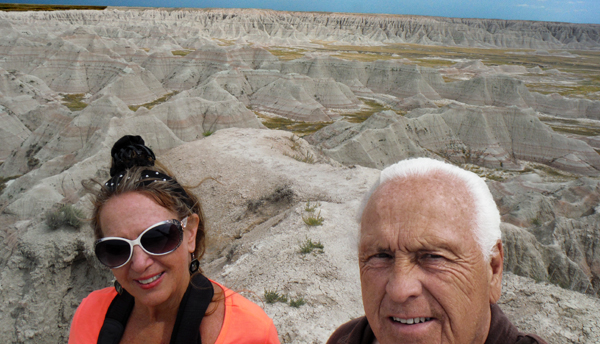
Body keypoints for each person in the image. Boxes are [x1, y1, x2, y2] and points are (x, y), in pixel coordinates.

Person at [69, 135, 280, 344]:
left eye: (156, 238)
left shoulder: (251, 333)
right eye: (117, 248)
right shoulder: (90, 316)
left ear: (190, 233)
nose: (140, 264)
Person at [327, 157, 547, 344]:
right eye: (381, 256)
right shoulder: (346, 338)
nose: (400, 289)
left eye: (433, 257)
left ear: (493, 269)